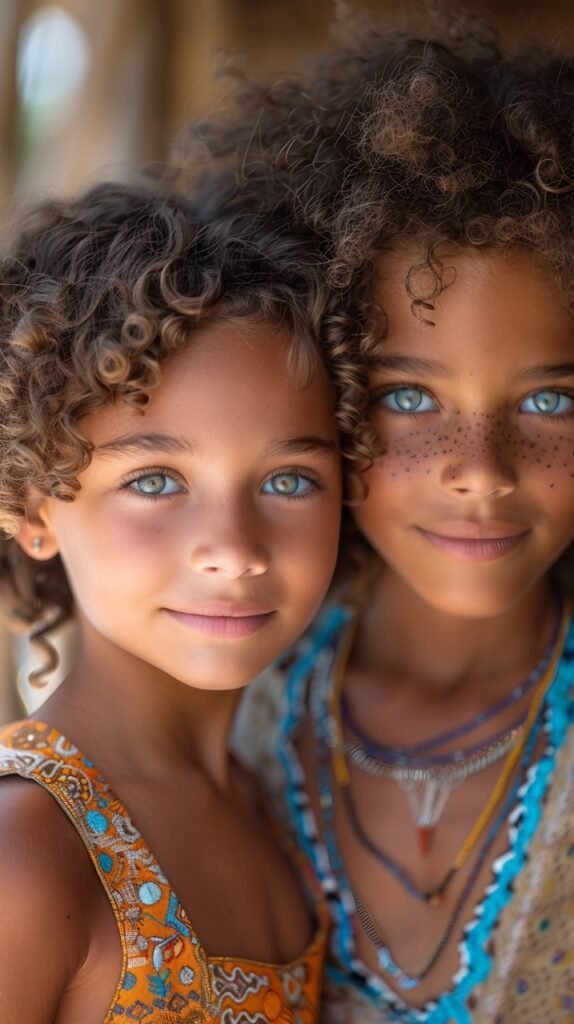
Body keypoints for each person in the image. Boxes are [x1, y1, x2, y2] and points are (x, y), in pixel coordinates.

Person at [206, 10, 574, 1022]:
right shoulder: (229, 712)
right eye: (408, 397)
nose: (481, 473)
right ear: (323, 387)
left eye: (552, 399)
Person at [0, 177, 366, 1024]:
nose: (234, 551)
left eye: (288, 479)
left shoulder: (271, 798)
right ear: (34, 507)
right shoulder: (28, 852)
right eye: (156, 480)